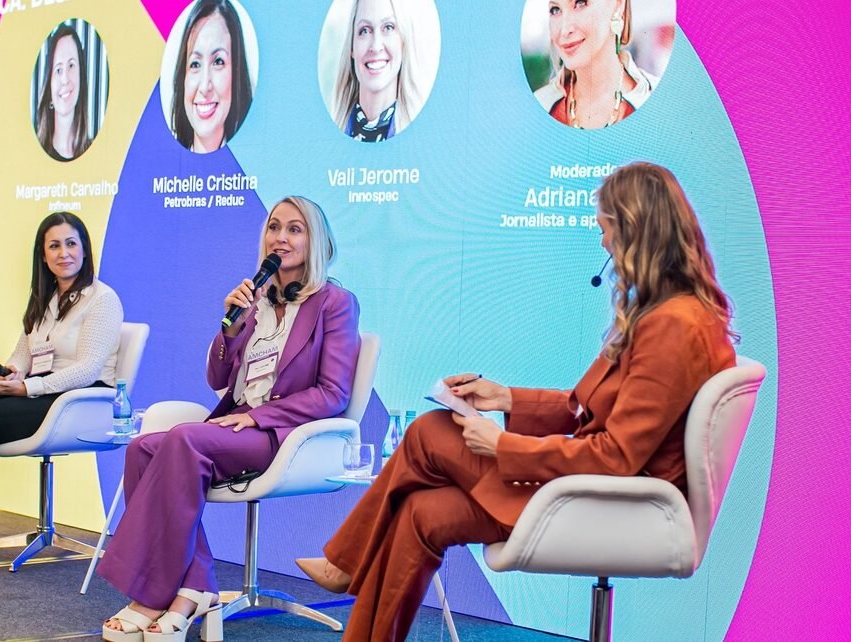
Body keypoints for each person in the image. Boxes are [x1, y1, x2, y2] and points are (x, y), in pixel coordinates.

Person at [296, 162, 738, 641]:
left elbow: (616, 458)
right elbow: (580, 407)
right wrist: (503, 397)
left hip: (611, 503)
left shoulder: (674, 325)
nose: (603, 244)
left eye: (607, 229)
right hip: (589, 490)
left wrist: (503, 445)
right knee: (421, 513)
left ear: (636, 230)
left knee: (429, 432)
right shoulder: (668, 315)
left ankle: (345, 561)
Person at [98, 196, 361, 642]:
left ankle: (156, 597)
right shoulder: (256, 301)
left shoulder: (334, 303)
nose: (281, 237)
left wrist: (261, 418)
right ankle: (196, 585)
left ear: (316, 241)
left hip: (283, 435)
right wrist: (230, 329)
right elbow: (217, 378)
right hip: (233, 424)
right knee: (144, 445)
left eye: (295, 229)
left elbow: (333, 394)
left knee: (182, 439)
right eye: (275, 227)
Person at [0, 212, 122, 570]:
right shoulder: (45, 299)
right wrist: (13, 372)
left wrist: (28, 386)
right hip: (37, 391)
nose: (64, 253)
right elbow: (23, 353)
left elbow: (89, 368)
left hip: (76, 400)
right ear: (43, 256)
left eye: (71, 243)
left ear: (85, 250)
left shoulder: (102, 299)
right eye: (54, 246)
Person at [534, 0, 657, 129]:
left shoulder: (661, 105)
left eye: (580, 3)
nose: (565, 30)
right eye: (555, 10)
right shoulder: (538, 107)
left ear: (618, 5)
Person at [328, 0, 426, 142]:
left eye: (388, 27)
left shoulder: (424, 138)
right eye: (365, 30)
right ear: (352, 48)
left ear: (403, 43)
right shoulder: (327, 139)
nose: (375, 46)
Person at [169, 0, 253, 153]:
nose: (204, 87)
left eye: (218, 62)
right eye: (195, 64)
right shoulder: (163, 168)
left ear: (236, 73)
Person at [35, 24, 95, 161]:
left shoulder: (97, 152)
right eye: (58, 70)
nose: (65, 79)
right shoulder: (36, 155)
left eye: (71, 66)